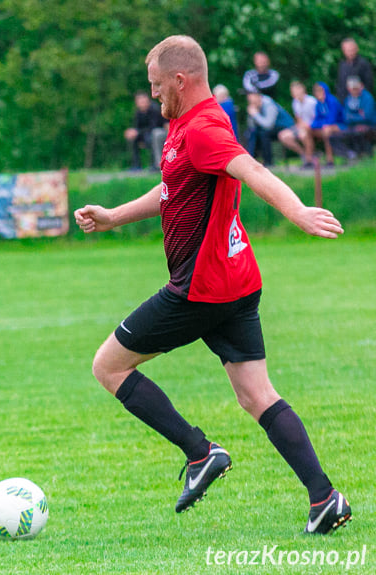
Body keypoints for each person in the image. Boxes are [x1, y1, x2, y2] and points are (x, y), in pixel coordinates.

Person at [74, 35, 350, 534]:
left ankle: (200, 453)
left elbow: (250, 169)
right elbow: (173, 185)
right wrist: (115, 216)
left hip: (202, 288)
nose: (154, 96)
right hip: (237, 280)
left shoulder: (202, 130)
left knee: (108, 366)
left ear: (182, 80)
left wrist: (297, 212)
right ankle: (324, 498)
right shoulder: (197, 122)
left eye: (158, 87)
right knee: (256, 394)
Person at [330, 76, 376, 160]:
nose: (354, 90)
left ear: (361, 86)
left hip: (369, 126)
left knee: (359, 132)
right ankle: (349, 154)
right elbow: (346, 118)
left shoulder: (367, 98)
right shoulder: (348, 99)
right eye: (352, 88)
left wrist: (353, 118)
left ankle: (363, 155)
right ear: (348, 88)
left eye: (356, 88)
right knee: (333, 136)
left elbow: (367, 117)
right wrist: (358, 117)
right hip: (352, 126)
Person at [245, 91, 295, 166]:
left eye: (250, 95)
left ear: (257, 96)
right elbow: (252, 126)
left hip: (286, 126)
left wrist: (255, 114)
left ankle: (268, 162)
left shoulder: (268, 104)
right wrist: (252, 115)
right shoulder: (256, 106)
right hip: (272, 128)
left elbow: (268, 125)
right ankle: (252, 159)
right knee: (252, 132)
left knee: (264, 134)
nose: (248, 98)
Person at [278, 81, 318, 167]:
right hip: (301, 127)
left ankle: (309, 160)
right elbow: (298, 119)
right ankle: (303, 154)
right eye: (293, 91)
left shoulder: (312, 102)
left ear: (302, 89)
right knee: (283, 136)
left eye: (296, 90)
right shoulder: (295, 102)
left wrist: (305, 126)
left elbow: (316, 118)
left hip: (313, 126)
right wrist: (300, 126)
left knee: (303, 134)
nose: (294, 93)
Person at [124, 91, 167, 171]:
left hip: (157, 134)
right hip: (145, 134)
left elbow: (154, 127)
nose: (142, 103)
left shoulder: (154, 109)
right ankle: (136, 165)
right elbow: (137, 126)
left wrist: (138, 132)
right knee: (133, 138)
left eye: (143, 101)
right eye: (139, 102)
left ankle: (155, 165)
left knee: (152, 137)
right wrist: (133, 132)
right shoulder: (138, 113)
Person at [308, 82, 345, 168]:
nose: (318, 93)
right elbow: (316, 120)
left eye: (320, 91)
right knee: (308, 130)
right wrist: (313, 125)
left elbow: (332, 120)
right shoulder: (318, 104)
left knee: (326, 130)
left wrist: (320, 124)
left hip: (340, 125)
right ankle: (310, 160)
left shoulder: (332, 101)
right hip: (325, 126)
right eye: (316, 91)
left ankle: (330, 159)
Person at [335, 38, 373, 102]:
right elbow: (339, 83)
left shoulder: (363, 64)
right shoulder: (342, 64)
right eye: (347, 50)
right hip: (343, 101)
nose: (350, 52)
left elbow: (369, 84)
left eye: (351, 49)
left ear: (356, 49)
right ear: (343, 51)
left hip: (359, 102)